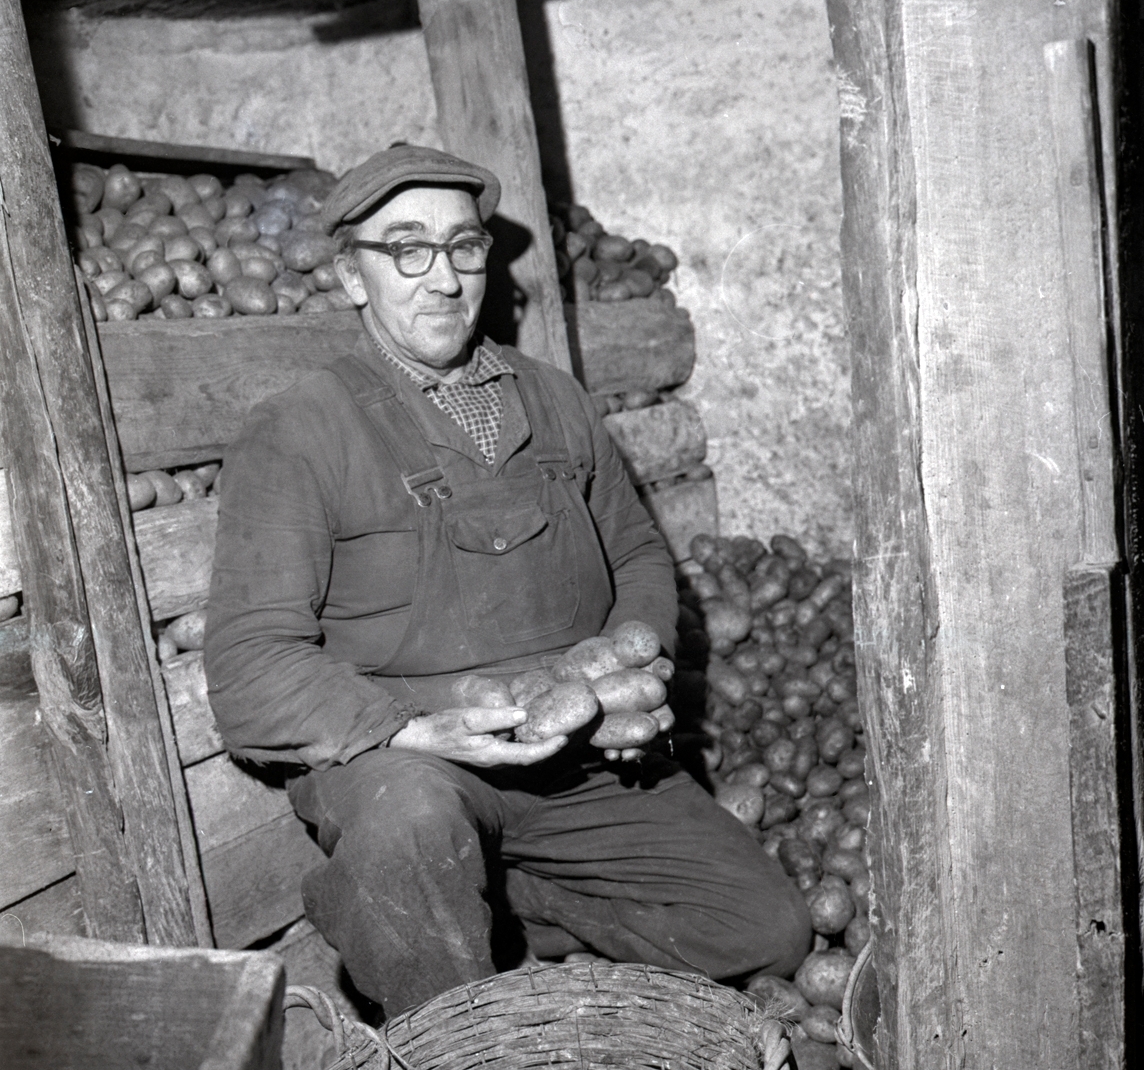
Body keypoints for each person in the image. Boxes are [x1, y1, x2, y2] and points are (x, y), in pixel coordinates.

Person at [203, 144, 811, 1017]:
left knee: (765, 928)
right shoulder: (299, 431)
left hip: (570, 750)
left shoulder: (555, 399)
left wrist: (622, 669)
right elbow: (248, 667)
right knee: (410, 823)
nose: (443, 277)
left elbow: (639, 555)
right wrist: (416, 729)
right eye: (406, 249)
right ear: (349, 275)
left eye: (463, 245)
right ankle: (434, 973)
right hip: (410, 762)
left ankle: (491, 896)